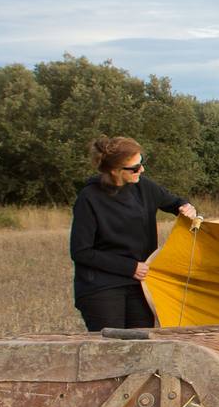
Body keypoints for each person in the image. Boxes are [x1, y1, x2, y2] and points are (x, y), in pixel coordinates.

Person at [70, 136, 199, 331]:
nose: (142, 170)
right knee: (110, 350)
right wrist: (130, 267)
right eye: (135, 168)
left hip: (140, 284)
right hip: (101, 287)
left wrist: (186, 207)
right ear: (114, 171)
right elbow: (81, 252)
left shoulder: (143, 187)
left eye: (141, 163)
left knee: (140, 347)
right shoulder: (89, 199)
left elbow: (175, 202)